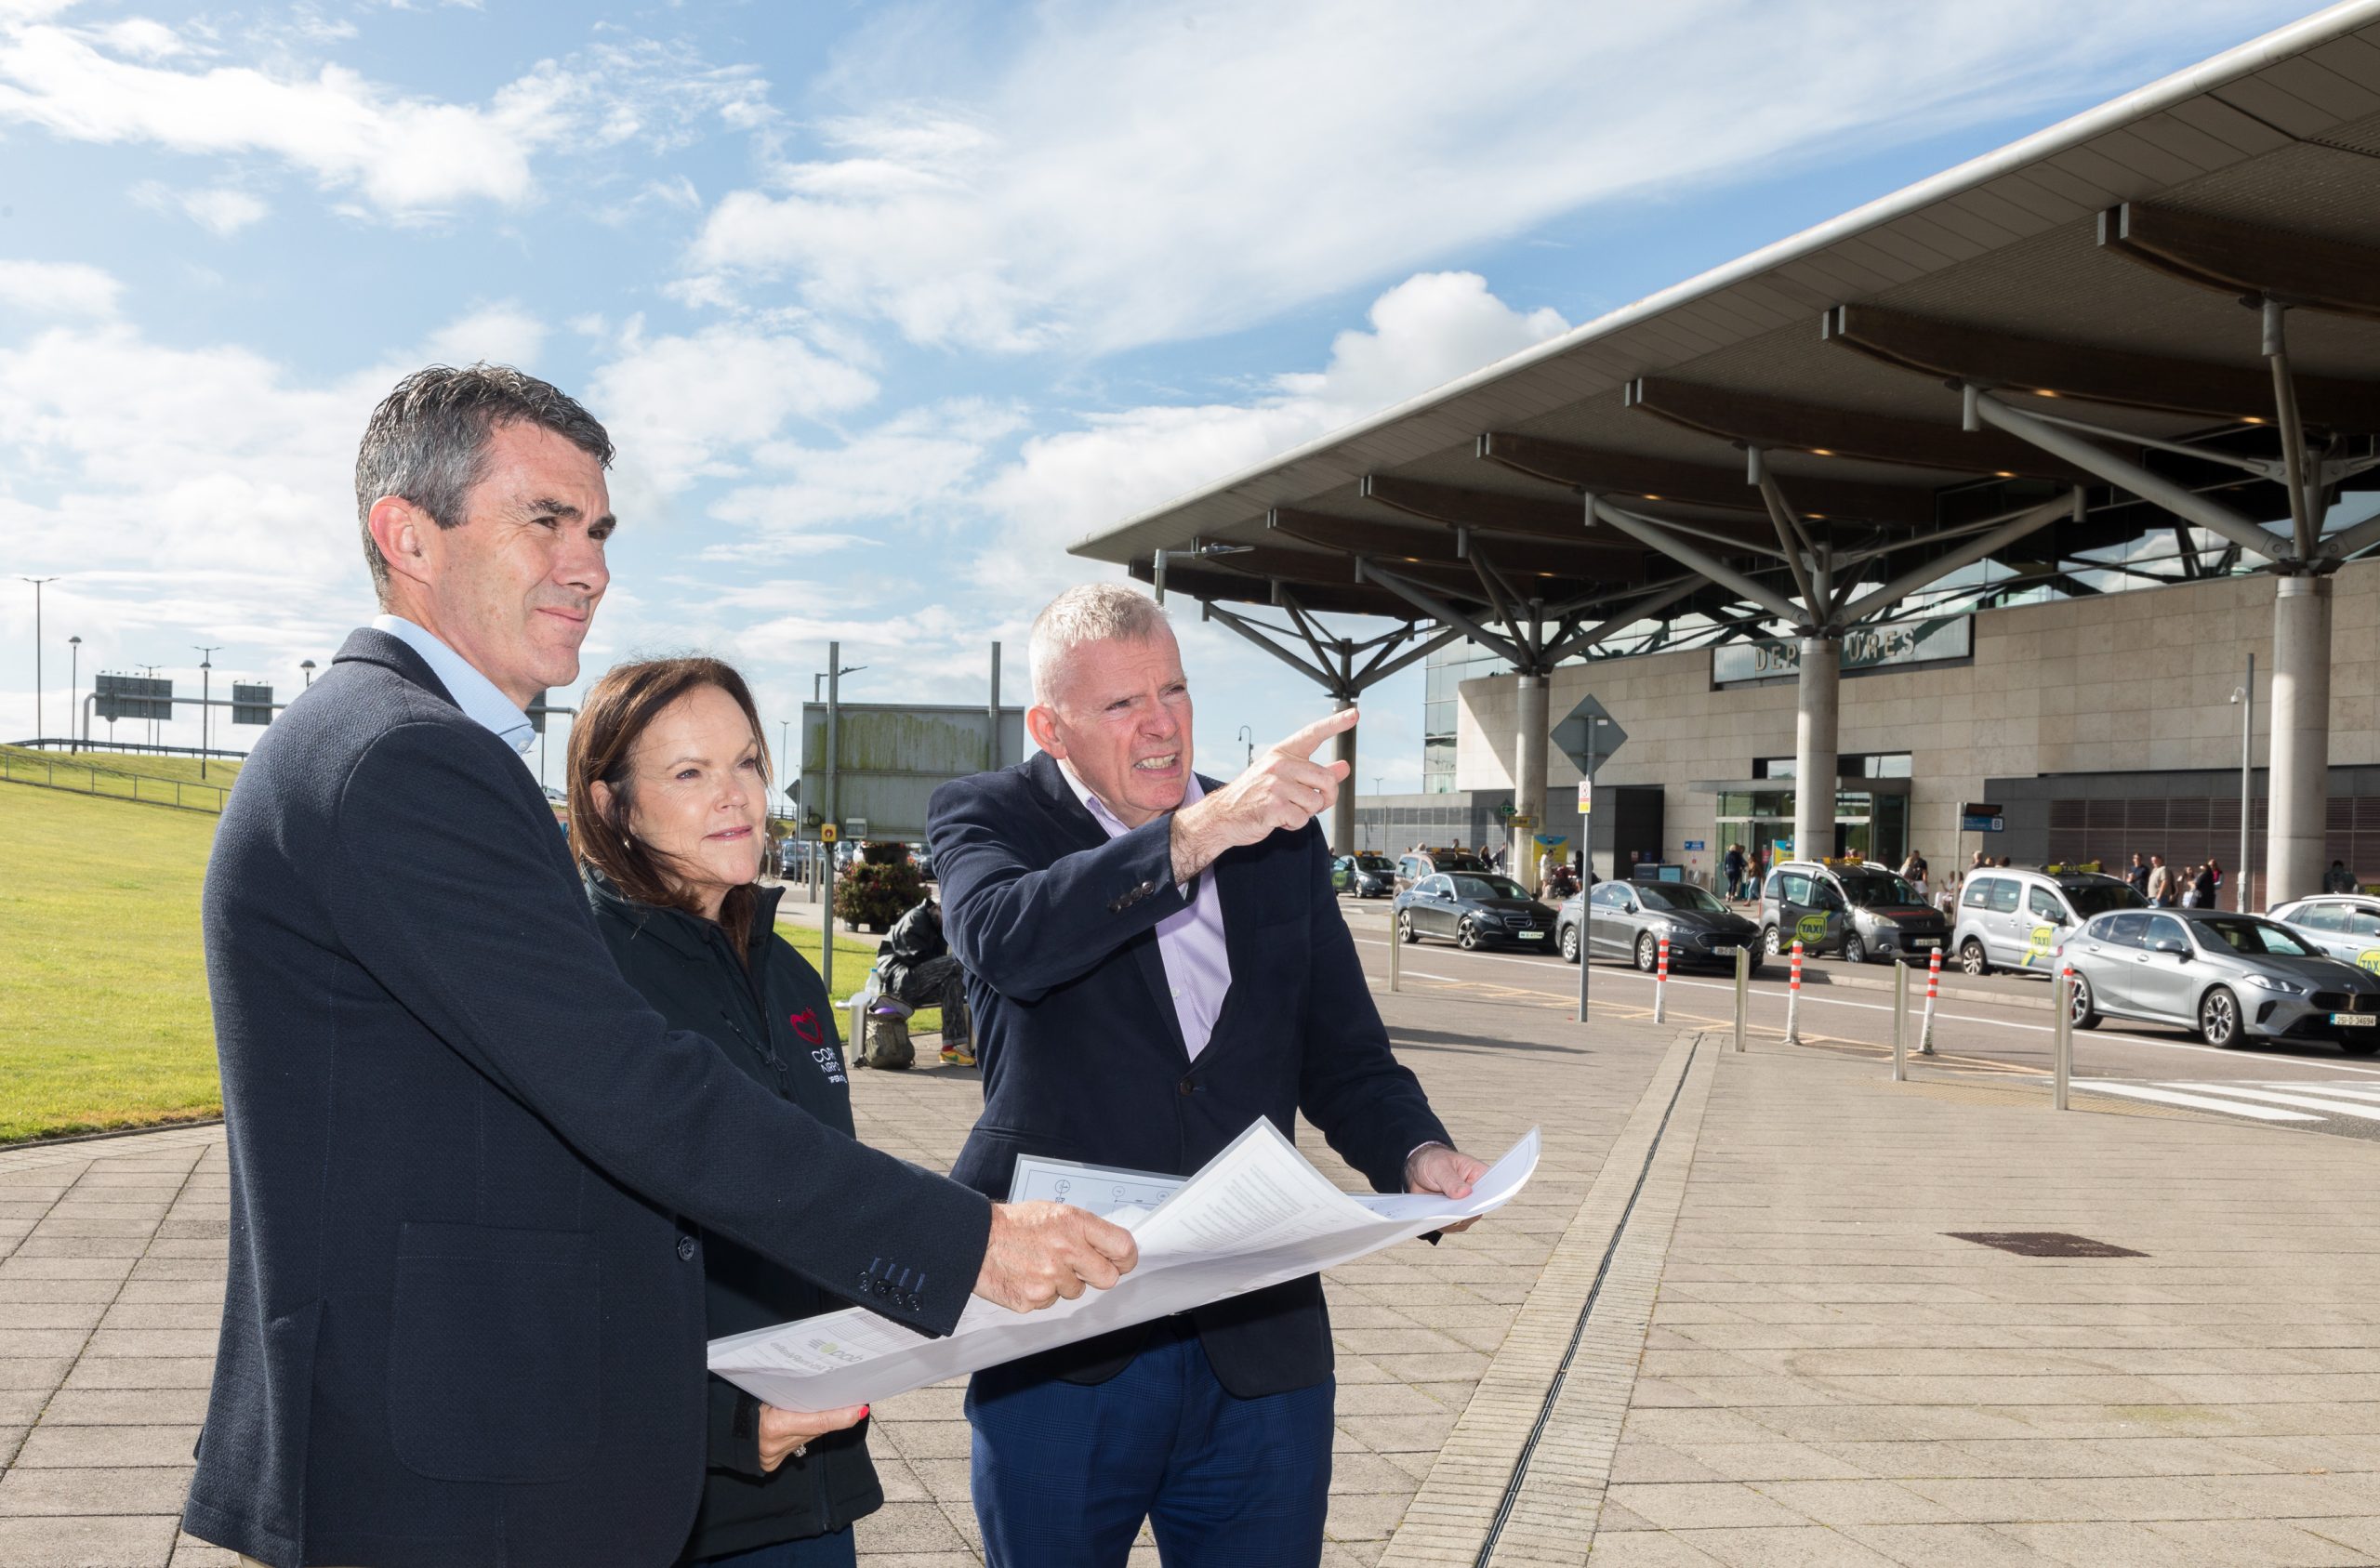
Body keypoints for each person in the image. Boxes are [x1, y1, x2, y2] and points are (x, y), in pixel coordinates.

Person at [187, 365, 1136, 1568]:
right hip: (435, 1478)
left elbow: (529, 1172)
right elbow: (634, 1090)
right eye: (544, 519)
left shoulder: (393, 747)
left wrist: (724, 1413)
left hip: (493, 1446)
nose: (588, 565)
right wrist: (971, 1240)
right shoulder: (403, 760)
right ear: (406, 534)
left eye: (598, 529)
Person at [927, 585, 1488, 1568]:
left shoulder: (1278, 838)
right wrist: (1195, 834)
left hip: (1255, 1336)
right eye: (1121, 705)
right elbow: (1006, 941)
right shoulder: (989, 816)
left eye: (1173, 691)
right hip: (1065, 1339)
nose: (1161, 725)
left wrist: (1417, 1152)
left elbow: (1341, 1048)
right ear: (1049, 726)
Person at [570, 655, 887, 1568]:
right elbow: (559, 1274)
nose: (735, 795)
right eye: (689, 773)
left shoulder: (784, 971)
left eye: (746, 761)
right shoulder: (585, 979)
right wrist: (731, 1426)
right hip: (665, 1503)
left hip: (813, 1486)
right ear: (610, 806)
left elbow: (830, 1198)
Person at [882, 889, 976, 1068]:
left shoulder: (936, 926)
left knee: (952, 984)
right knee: (955, 963)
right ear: (936, 907)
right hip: (900, 981)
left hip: (915, 980)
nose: (945, 920)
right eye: (944, 914)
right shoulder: (915, 919)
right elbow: (911, 957)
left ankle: (950, 1048)